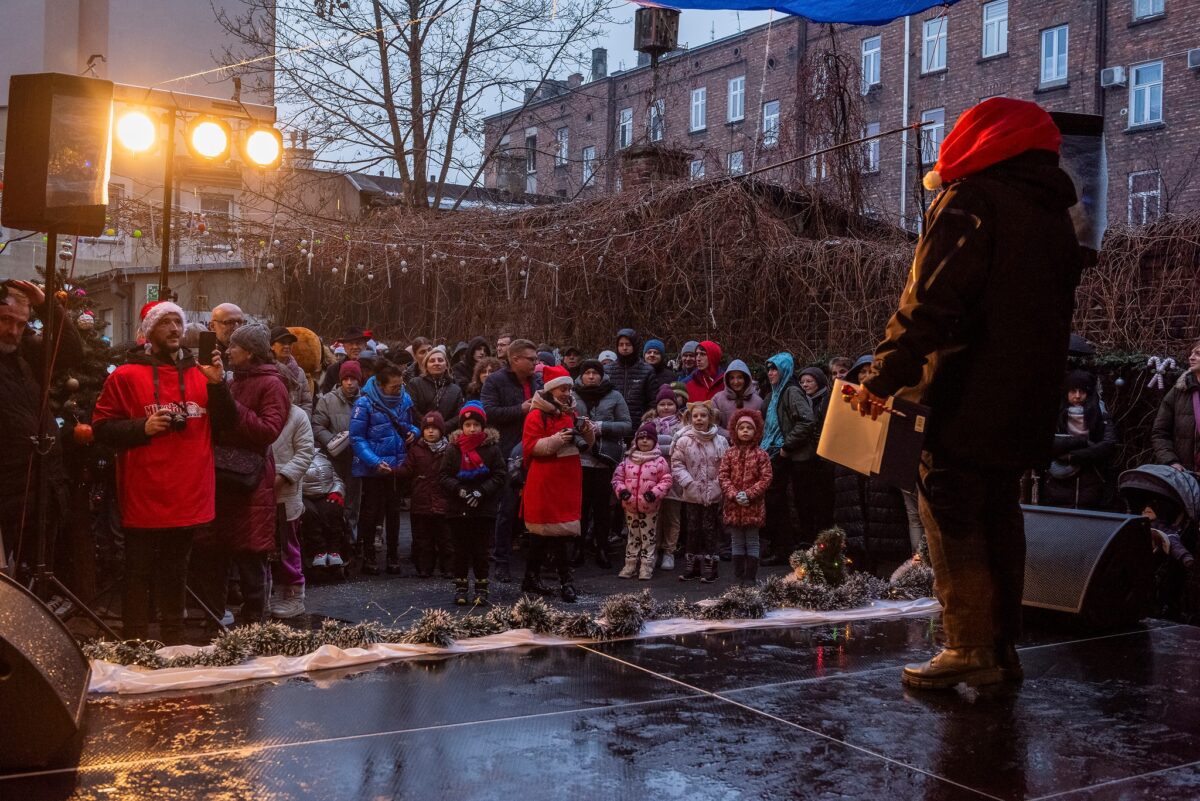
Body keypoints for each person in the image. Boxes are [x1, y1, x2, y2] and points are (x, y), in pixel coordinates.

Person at [856, 97, 1084, 689]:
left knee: (951, 511)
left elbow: (928, 303)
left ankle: (967, 648)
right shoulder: (1054, 213)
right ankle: (1002, 649)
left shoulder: (971, 201)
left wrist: (880, 376)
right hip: (1027, 397)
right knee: (1001, 515)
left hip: (964, 393)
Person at [92, 301, 230, 643]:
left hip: (188, 491)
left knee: (176, 569)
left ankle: (174, 640)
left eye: (177, 322)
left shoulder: (203, 373)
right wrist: (143, 427)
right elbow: (101, 428)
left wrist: (218, 385)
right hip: (144, 491)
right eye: (165, 322)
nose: (173, 328)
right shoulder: (125, 375)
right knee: (137, 570)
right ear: (149, 331)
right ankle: (135, 641)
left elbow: (228, 427)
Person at [194, 323, 290, 630]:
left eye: (233, 347)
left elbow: (267, 430)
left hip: (252, 483)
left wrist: (231, 406)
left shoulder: (272, 385)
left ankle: (255, 623)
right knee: (215, 552)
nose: (227, 350)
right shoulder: (234, 380)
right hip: (223, 477)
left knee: (251, 555)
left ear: (248, 353)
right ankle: (214, 617)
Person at [0, 281, 83, 578]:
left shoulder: (26, 356)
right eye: (5, 320)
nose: (13, 330)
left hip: (38, 489)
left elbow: (71, 351)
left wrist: (47, 305)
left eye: (21, 323)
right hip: (8, 490)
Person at [521, 365, 595, 602]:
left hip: (567, 478)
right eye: (563, 388)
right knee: (543, 534)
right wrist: (555, 440)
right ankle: (565, 581)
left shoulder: (570, 414)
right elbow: (530, 448)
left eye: (569, 388)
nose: (567, 392)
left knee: (561, 531)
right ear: (552, 389)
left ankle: (532, 579)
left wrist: (588, 432)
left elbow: (587, 446)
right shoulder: (536, 415)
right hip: (545, 480)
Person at [481, 338, 541, 581]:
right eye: (531, 359)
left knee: (535, 509)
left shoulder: (537, 380)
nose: (535, 364)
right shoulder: (495, 380)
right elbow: (488, 413)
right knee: (506, 510)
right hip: (506, 453)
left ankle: (536, 563)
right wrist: (521, 409)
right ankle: (501, 561)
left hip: (535, 450)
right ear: (515, 359)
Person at [350, 361, 419, 575]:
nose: (399, 389)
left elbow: (410, 424)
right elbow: (357, 437)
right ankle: (369, 555)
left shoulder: (404, 399)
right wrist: (374, 461)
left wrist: (414, 433)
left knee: (394, 511)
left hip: (396, 466)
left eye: (400, 385)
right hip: (375, 467)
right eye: (394, 386)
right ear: (380, 385)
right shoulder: (364, 404)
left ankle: (393, 555)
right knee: (371, 511)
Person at [440, 402, 507, 605]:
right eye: (467, 424)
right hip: (458, 507)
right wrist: (459, 490)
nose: (471, 429)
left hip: (483, 508)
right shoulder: (453, 449)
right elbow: (444, 476)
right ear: (462, 426)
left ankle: (481, 588)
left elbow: (499, 474)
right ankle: (460, 587)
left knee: (481, 550)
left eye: (475, 425)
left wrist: (481, 491)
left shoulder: (492, 448)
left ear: (482, 426)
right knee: (460, 550)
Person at [574, 358, 632, 568]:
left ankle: (602, 548)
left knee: (601, 507)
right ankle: (578, 548)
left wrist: (602, 426)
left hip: (604, 460)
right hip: (579, 459)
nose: (591, 376)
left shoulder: (614, 395)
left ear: (601, 375)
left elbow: (627, 425)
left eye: (595, 373)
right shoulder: (572, 394)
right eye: (587, 373)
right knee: (580, 507)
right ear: (581, 375)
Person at [760, 352, 817, 565]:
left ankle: (786, 549)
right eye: (769, 369)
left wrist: (787, 445)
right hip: (773, 451)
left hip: (790, 456)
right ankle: (782, 547)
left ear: (784, 369)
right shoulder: (774, 393)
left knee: (783, 502)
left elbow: (806, 421)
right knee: (776, 501)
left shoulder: (791, 391)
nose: (771, 373)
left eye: (775, 368)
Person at [269, 387, 316, 618]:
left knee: (287, 545)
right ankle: (272, 590)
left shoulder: (298, 416)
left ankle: (294, 594)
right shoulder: (261, 412)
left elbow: (305, 452)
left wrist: (284, 476)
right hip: (257, 490)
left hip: (285, 492)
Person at [671, 400, 729, 583]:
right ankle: (693, 566)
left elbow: (726, 466)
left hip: (713, 492)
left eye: (703, 416)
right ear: (690, 418)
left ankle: (711, 566)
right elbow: (677, 464)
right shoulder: (684, 440)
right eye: (695, 416)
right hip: (692, 492)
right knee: (693, 529)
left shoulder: (720, 441)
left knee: (710, 529)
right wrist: (689, 483)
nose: (699, 419)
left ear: (710, 418)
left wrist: (718, 485)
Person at [1043, 370, 1116, 509]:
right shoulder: (1055, 413)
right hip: (1057, 486)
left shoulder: (1100, 415)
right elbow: (1044, 443)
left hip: (1091, 486)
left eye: (1082, 391)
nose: (1077, 396)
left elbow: (1108, 444)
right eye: (1073, 391)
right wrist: (1083, 442)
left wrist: (1074, 456)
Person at [611, 423, 673, 580]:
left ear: (655, 441)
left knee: (648, 537)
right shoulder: (627, 460)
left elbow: (666, 480)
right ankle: (630, 565)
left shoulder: (659, 461)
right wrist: (622, 492)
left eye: (648, 438)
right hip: (630, 505)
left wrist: (654, 493)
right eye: (641, 438)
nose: (644, 441)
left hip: (649, 506)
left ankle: (646, 566)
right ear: (636, 440)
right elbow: (617, 479)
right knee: (633, 536)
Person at [718, 409, 773, 585]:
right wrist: (734, 494)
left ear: (756, 431)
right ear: (735, 430)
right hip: (733, 506)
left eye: (749, 428)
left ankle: (750, 577)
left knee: (752, 540)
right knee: (736, 541)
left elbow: (766, 478)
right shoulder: (729, 453)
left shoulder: (761, 454)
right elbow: (723, 476)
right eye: (741, 427)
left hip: (753, 506)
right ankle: (738, 575)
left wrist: (749, 494)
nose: (745, 431)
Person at [312, 360, 362, 544]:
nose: (349, 383)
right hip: (335, 459)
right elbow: (317, 425)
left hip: (357, 459)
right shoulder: (327, 400)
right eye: (346, 379)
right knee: (334, 499)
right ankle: (334, 541)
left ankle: (351, 541)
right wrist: (332, 441)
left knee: (353, 503)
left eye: (353, 379)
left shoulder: (366, 400)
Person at [398, 411, 452, 578]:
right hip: (421, 503)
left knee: (446, 539)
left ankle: (448, 568)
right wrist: (391, 471)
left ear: (441, 431)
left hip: (443, 503)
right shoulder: (416, 450)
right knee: (423, 539)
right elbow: (406, 470)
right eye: (427, 428)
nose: (430, 431)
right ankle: (424, 568)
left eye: (434, 428)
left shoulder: (450, 450)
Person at [645, 384, 687, 570]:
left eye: (670, 403)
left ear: (676, 405)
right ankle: (653, 550)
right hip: (651, 477)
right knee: (655, 515)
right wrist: (670, 444)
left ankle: (669, 551)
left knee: (672, 516)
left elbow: (683, 447)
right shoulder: (649, 424)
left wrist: (660, 446)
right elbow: (642, 445)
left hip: (675, 475)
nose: (666, 407)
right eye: (662, 404)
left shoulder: (683, 425)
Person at [1152, 339, 1200, 473]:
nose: (1191, 357)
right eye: (1191, 353)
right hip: (1188, 475)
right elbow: (1160, 432)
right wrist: (1171, 461)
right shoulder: (1179, 391)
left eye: (1198, 353)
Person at [300, 451, 348, 570]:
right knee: (310, 514)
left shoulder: (323, 457)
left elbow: (336, 479)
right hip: (303, 495)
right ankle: (319, 550)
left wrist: (337, 491)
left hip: (325, 493)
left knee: (333, 509)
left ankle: (334, 550)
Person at [408, 345, 464, 429]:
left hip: (446, 435)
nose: (437, 363)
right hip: (421, 432)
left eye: (440, 360)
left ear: (446, 366)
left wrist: (441, 427)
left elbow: (459, 415)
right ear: (426, 365)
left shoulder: (456, 389)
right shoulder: (415, 383)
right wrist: (428, 426)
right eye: (432, 361)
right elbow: (412, 409)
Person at [271, 326, 313, 416]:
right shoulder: (265, 370)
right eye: (282, 342)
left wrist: (300, 423)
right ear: (271, 346)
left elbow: (307, 403)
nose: (287, 346)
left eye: (289, 343)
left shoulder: (299, 373)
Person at [713, 358, 763, 431]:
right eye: (732, 378)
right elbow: (713, 426)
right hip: (724, 441)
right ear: (727, 380)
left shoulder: (758, 401)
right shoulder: (717, 399)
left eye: (739, 377)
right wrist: (731, 436)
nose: (736, 382)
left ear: (746, 379)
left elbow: (761, 427)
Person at [319, 326, 369, 394]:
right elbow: (327, 398)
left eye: (358, 343)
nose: (355, 347)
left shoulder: (374, 369)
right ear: (344, 347)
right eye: (351, 344)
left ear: (365, 346)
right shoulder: (333, 370)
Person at [208, 302, 245, 367]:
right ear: (212, 326)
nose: (236, 328)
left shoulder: (249, 355)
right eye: (229, 322)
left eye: (240, 322)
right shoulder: (207, 355)